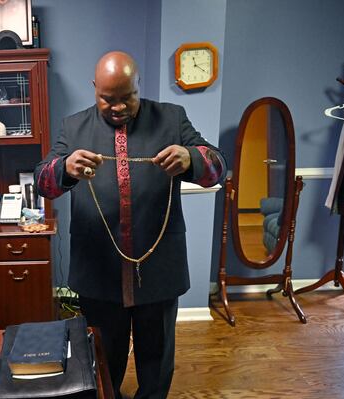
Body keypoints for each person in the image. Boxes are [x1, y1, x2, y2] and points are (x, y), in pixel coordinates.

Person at [34, 51, 226, 399]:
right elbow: (43, 183)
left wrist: (190, 158)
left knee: (157, 364)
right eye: (108, 99)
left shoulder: (171, 118)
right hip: (99, 271)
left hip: (159, 269)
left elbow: (218, 168)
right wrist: (65, 167)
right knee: (103, 363)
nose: (118, 107)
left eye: (128, 97)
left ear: (139, 86)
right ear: (94, 89)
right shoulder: (73, 127)